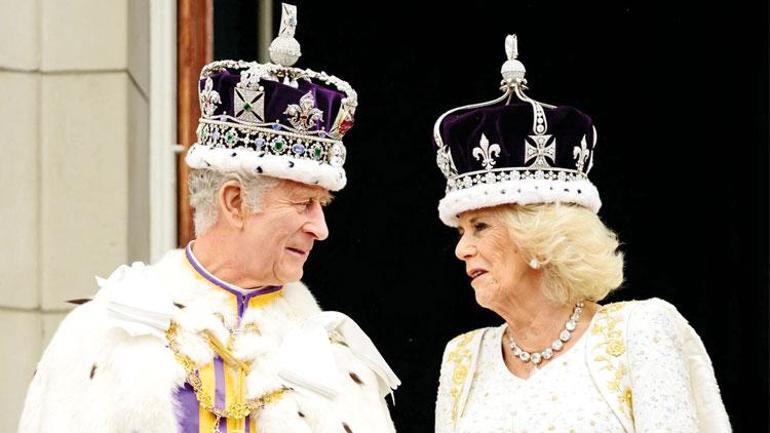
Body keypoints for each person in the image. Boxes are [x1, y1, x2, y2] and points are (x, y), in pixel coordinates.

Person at [18, 5, 399, 433]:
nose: (320, 228)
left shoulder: (340, 367)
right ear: (235, 202)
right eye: (302, 203)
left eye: (320, 206)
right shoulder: (103, 336)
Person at [432, 35, 730, 433]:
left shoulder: (640, 332)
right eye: (461, 230)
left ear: (541, 239)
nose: (462, 249)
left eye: (480, 227)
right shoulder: (463, 359)